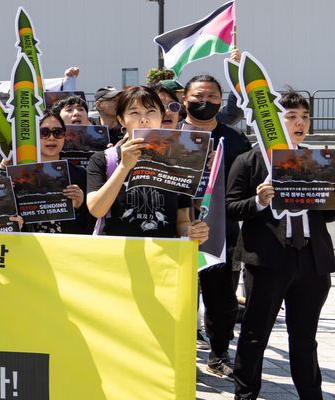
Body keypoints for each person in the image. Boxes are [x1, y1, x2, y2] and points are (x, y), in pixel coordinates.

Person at [228, 91, 332, 399]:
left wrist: (329, 194)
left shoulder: (317, 160)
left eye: (304, 117)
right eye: (291, 116)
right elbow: (231, 206)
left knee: (305, 337)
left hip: (312, 260)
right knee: (254, 334)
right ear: (273, 121)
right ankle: (245, 394)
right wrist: (259, 201)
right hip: (268, 261)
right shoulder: (250, 160)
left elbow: (327, 214)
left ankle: (311, 394)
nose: (300, 122)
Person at [180, 72, 253, 377]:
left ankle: (218, 353)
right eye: (198, 96)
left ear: (221, 100)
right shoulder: (169, 134)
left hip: (223, 230)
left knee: (221, 298)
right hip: (176, 227)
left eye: (211, 97)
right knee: (179, 295)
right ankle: (178, 351)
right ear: (185, 99)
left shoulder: (235, 139)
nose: (204, 102)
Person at [84, 85, 209, 241]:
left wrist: (190, 232)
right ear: (121, 120)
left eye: (151, 111)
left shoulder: (179, 160)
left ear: (161, 116)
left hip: (162, 257)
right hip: (116, 257)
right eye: (134, 112)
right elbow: (96, 209)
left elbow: (182, 220)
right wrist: (124, 166)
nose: (144, 119)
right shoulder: (103, 159)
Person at [20, 111, 94, 234]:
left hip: (67, 248)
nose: (51, 137)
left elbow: (93, 225)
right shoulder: (19, 175)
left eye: (57, 132)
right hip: (31, 249)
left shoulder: (80, 174)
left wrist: (81, 206)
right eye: (44, 133)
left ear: (64, 136)